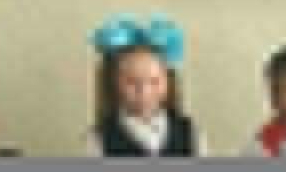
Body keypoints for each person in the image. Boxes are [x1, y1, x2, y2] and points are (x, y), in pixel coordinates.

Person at [85, 15, 206, 158]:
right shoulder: (99, 139)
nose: (144, 91)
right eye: (131, 82)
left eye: (154, 82)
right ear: (113, 82)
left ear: (169, 81)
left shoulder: (191, 134)